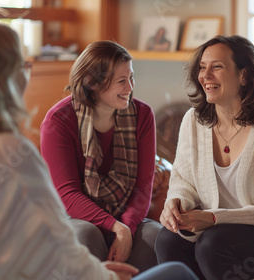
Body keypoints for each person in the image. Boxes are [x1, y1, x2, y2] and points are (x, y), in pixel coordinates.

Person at [0, 22, 198, 280]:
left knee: (157, 239)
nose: (26, 74)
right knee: (177, 273)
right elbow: (58, 238)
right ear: (1, 80)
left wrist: (122, 231)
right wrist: (103, 275)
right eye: (23, 66)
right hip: (71, 231)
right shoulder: (11, 151)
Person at [155, 35, 254, 280]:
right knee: (168, 239)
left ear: (244, 75)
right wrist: (176, 203)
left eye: (217, 67)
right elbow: (182, 180)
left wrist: (213, 218)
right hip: (211, 231)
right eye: (202, 67)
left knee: (212, 243)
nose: (205, 75)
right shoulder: (193, 120)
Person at [40, 40, 162, 271]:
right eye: (121, 81)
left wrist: (126, 227)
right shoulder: (59, 121)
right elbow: (66, 194)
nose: (130, 87)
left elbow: (143, 187)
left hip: (124, 215)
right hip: (71, 216)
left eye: (131, 77)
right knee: (87, 234)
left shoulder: (143, 115)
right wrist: (116, 227)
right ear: (93, 83)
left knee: (156, 236)